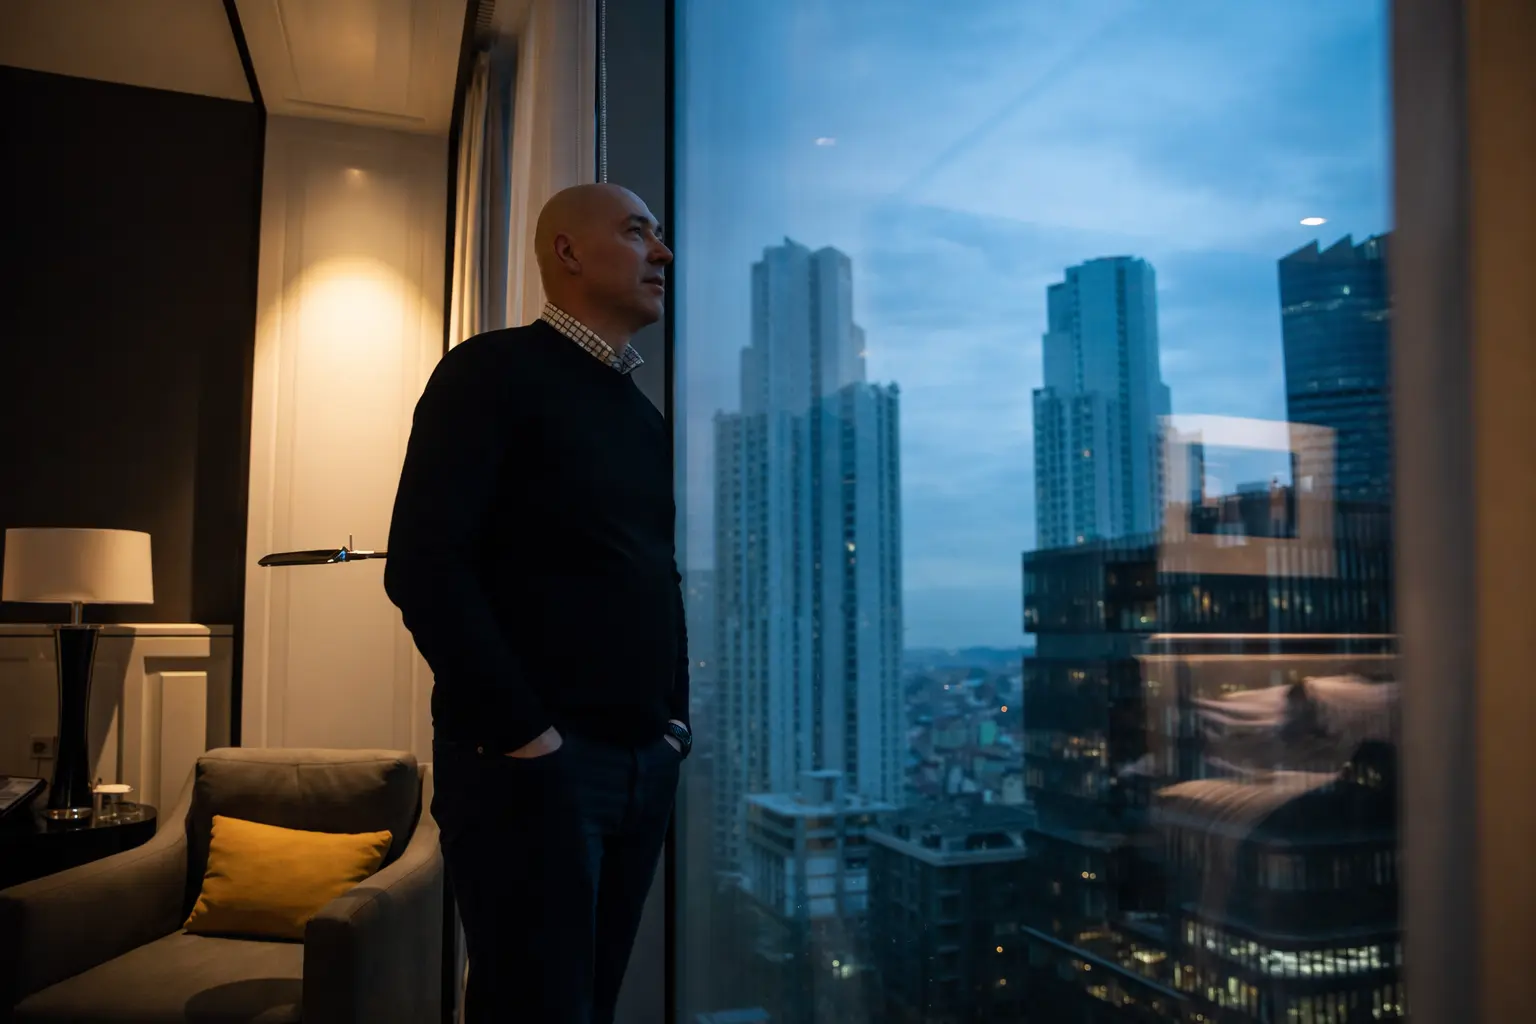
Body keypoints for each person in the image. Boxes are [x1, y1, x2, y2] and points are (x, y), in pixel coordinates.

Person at [384, 183, 690, 1023]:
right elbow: (423, 565)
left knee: (587, 1005)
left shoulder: (642, 415)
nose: (663, 253)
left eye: (659, 237)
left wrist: (672, 727)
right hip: (532, 771)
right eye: (638, 233)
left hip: (639, 766)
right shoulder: (489, 372)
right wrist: (528, 740)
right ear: (568, 252)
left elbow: (653, 572)